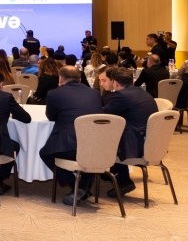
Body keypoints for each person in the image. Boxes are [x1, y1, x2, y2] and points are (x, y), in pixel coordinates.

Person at [38, 66, 103, 206]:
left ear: (60, 79)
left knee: (45, 153)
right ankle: (83, 186)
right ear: (79, 79)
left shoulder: (54, 93)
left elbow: (51, 117)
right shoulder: (95, 93)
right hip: (96, 144)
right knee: (91, 157)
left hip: (69, 145)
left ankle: (75, 186)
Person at [101, 66, 157, 197]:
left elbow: (102, 114)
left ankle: (123, 180)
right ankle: (115, 173)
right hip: (151, 141)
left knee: (106, 138)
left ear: (115, 83)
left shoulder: (121, 95)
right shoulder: (142, 92)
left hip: (136, 144)